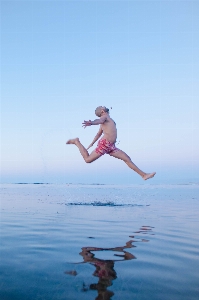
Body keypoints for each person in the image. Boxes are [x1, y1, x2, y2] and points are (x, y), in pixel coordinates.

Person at [66, 106, 156, 180]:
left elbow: (98, 134)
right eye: (103, 107)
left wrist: (92, 143)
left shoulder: (107, 120)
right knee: (88, 160)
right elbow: (99, 121)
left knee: (127, 158)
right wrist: (92, 123)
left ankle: (143, 175)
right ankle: (77, 142)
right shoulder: (104, 118)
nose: (105, 107)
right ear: (102, 110)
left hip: (111, 146)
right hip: (105, 144)